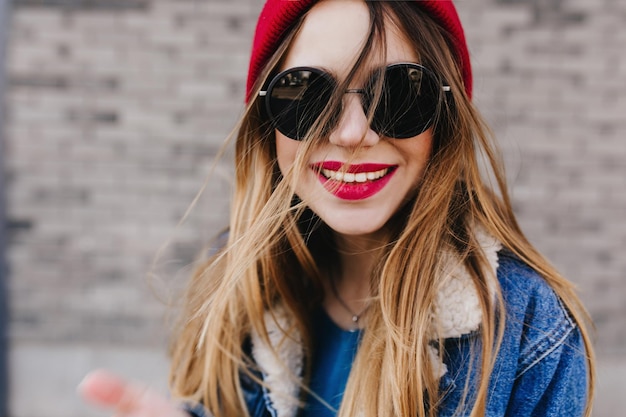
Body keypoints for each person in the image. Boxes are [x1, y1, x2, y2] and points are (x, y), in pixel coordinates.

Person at [79, 0, 595, 416]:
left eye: (399, 93)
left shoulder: (527, 327)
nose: (352, 134)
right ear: (266, 123)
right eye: (306, 95)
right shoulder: (236, 281)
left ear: (446, 118)